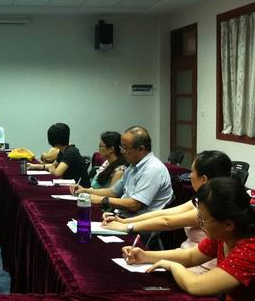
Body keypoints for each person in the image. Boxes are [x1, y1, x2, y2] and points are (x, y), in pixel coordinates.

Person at [122, 177, 255, 299]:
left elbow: (196, 285)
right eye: (199, 218)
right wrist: (145, 256)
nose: (201, 225)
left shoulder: (250, 249)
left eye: (203, 220)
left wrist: (173, 266)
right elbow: (191, 256)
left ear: (228, 224)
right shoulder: (224, 235)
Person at [104, 150, 233, 272]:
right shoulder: (203, 198)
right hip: (185, 256)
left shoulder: (214, 206)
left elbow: (167, 222)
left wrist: (128, 227)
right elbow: (165, 213)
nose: (189, 175)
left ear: (204, 179)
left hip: (202, 266)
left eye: (192, 171)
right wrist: (125, 221)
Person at [70, 126, 172, 217]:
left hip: (138, 225)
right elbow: (113, 192)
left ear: (141, 149)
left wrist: (102, 200)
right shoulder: (133, 166)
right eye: (121, 147)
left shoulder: (152, 169)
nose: (122, 151)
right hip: (123, 217)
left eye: (125, 148)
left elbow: (134, 205)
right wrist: (86, 191)